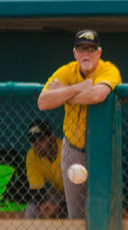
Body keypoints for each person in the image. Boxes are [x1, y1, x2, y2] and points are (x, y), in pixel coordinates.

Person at [37, 30, 122, 219]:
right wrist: (78, 88)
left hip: (102, 151)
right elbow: (43, 102)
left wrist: (65, 94)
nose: (86, 54)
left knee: (105, 213)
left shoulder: (108, 70)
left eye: (91, 49)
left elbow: (97, 95)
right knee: (76, 213)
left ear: (99, 52)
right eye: (81, 49)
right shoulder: (67, 71)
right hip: (73, 149)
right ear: (75, 53)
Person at [24, 120, 66, 219]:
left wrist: (59, 208)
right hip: (58, 193)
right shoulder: (32, 155)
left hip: (78, 193)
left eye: (41, 140)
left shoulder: (65, 150)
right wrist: (43, 205)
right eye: (33, 141)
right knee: (31, 208)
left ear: (52, 138)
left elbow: (79, 192)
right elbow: (37, 190)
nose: (37, 146)